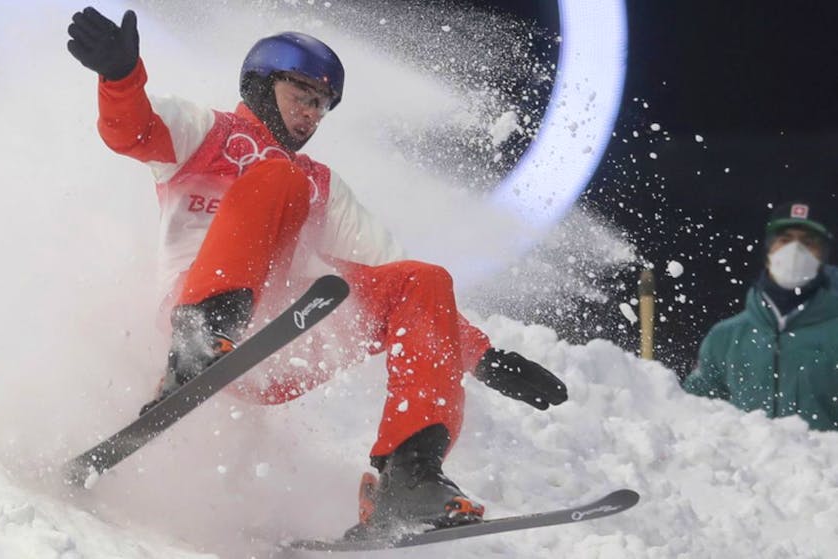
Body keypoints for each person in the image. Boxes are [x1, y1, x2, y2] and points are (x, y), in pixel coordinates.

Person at [66, 6, 567, 534]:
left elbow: (404, 287)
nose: (311, 115)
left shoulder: (321, 185)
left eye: (322, 106)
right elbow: (132, 130)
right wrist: (120, 77)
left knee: (425, 279)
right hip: (201, 329)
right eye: (302, 96)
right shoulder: (207, 132)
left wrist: (485, 358)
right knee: (276, 178)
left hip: (285, 342)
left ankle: (409, 475)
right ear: (262, 84)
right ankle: (202, 334)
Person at [683, 199, 838, 430]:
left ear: (823, 255)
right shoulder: (725, 337)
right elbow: (691, 414)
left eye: (808, 242)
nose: (795, 250)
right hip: (743, 466)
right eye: (785, 240)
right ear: (768, 250)